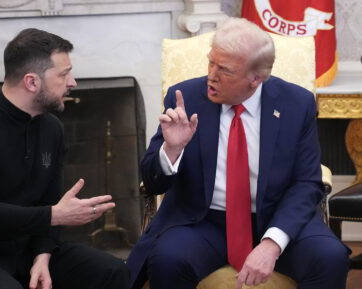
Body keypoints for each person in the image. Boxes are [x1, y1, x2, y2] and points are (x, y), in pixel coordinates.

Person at [127, 17, 350, 289]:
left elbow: (306, 183)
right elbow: (153, 182)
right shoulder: (185, 97)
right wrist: (171, 150)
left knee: (331, 257)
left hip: (276, 215)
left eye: (225, 70)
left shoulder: (296, 103)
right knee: (168, 259)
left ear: (256, 78)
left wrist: (272, 243)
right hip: (203, 220)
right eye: (211, 62)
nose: (212, 75)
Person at [0, 28, 130, 289]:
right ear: (31, 82)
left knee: (112, 272)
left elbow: (50, 202)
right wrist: (55, 215)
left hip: (25, 247)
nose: (73, 82)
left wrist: (43, 256)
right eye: (63, 74)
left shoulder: (52, 128)